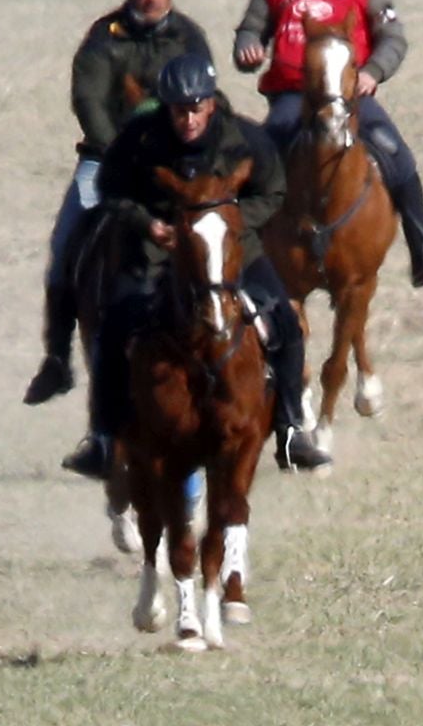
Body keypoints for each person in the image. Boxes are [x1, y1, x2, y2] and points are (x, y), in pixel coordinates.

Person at [62, 53, 332, 478]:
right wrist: (147, 224)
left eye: (195, 108)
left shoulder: (244, 138)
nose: (187, 119)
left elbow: (273, 192)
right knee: (113, 327)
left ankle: (291, 428)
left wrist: (229, 223)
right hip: (155, 252)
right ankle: (102, 438)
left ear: (210, 103)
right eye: (178, 109)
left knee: (284, 320)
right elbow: (110, 189)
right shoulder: (140, 140)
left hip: (227, 250)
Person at [232, 0, 423, 287]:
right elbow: (250, 30)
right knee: (262, 161)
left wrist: (373, 72)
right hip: (294, 98)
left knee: (397, 155)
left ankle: (422, 249)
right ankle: (244, 252)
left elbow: (392, 37)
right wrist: (247, 49)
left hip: (352, 97)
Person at [22, 0, 214, 407]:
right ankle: (57, 358)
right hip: (105, 161)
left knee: (220, 230)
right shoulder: (104, 38)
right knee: (67, 240)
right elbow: (88, 99)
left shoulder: (188, 38)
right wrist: (119, 152)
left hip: (176, 162)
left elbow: (208, 96)